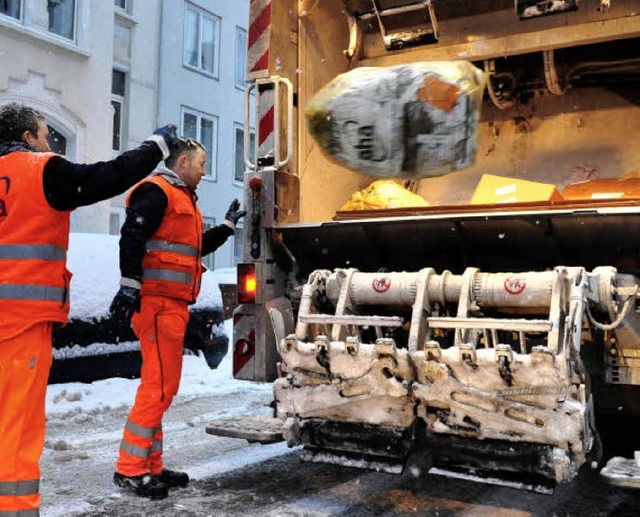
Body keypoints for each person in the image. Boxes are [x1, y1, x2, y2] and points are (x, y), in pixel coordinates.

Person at [0, 102, 179, 516]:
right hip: (18, 327)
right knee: (16, 430)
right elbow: (106, 178)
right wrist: (156, 146)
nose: (49, 143)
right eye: (45, 134)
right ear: (28, 138)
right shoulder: (39, 169)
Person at [109, 137, 246, 499]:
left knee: (160, 386)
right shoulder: (156, 192)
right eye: (201, 164)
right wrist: (129, 286)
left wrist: (229, 227)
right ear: (183, 162)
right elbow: (132, 236)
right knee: (159, 388)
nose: (204, 172)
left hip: (170, 305)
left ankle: (149, 465)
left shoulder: (180, 197)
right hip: (156, 304)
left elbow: (194, 245)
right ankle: (130, 468)